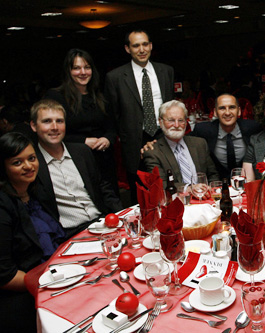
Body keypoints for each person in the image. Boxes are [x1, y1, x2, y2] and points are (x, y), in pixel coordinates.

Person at [0, 132, 65, 331]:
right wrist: (51, 285)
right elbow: (5, 275)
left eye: (32, 158)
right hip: (23, 295)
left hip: (55, 276)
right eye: (17, 162)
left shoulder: (36, 190)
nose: (29, 166)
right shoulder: (3, 206)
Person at [30, 99, 123, 238]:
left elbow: (103, 188)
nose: (54, 127)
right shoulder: (33, 163)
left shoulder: (82, 152)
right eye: (47, 121)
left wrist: (123, 215)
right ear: (33, 126)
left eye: (60, 121)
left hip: (103, 224)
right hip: (69, 234)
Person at [105, 29, 174, 203]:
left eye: (145, 44)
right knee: (141, 197)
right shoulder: (115, 77)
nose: (141, 49)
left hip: (163, 136)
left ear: (151, 46)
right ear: (128, 49)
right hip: (135, 142)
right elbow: (113, 114)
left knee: (169, 188)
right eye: (136, 45)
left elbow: (171, 106)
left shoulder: (166, 71)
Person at [45, 49, 119, 194]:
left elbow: (111, 127)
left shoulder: (100, 97)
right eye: (77, 68)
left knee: (110, 202)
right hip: (74, 160)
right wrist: (83, 141)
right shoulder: (56, 97)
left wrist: (107, 139)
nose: (83, 72)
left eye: (87, 67)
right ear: (69, 71)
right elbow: (50, 133)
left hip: (103, 160)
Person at [143, 100, 219, 189]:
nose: (176, 125)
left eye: (180, 120)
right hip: (175, 200)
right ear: (160, 122)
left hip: (204, 198)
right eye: (171, 120)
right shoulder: (153, 152)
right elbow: (160, 184)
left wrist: (212, 189)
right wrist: (188, 188)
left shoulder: (200, 144)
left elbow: (213, 175)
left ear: (186, 122)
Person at [190, 94, 262, 179]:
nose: (227, 113)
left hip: (245, 183)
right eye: (222, 108)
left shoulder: (253, 128)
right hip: (216, 185)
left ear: (239, 111)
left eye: (232, 107)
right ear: (215, 112)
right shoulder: (203, 130)